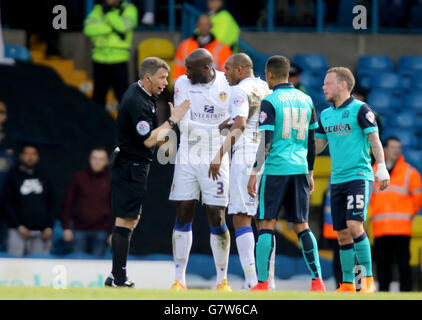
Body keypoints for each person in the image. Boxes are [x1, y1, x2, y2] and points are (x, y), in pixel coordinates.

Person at [104, 57, 190, 287]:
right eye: (162, 78)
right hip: (130, 166)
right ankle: (118, 278)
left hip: (133, 166)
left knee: (130, 219)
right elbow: (149, 140)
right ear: (147, 77)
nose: (166, 82)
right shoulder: (137, 101)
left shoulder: (140, 93)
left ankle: (115, 274)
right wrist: (173, 120)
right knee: (125, 221)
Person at [247, 55, 326, 292]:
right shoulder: (306, 99)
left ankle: (262, 283)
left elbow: (266, 140)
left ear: (270, 75)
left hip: (276, 170)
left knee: (266, 223)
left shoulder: (270, 101)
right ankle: (318, 281)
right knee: (302, 225)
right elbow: (312, 142)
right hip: (300, 169)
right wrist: (311, 171)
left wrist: (254, 171)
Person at [315, 67, 390, 293]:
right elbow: (318, 147)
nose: (323, 87)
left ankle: (367, 279)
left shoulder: (361, 109)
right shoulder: (326, 115)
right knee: (342, 233)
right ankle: (348, 283)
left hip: (358, 176)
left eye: (328, 83)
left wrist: (382, 167)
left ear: (343, 85)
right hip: (337, 179)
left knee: (355, 225)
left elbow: (374, 140)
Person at [169, 48, 232, 291]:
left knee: (217, 214)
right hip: (187, 156)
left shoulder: (227, 83)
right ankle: (179, 280)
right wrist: (218, 127)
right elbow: (184, 126)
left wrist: (221, 129)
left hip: (216, 158)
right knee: (183, 212)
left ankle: (222, 280)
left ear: (206, 68)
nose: (185, 72)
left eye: (190, 68)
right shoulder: (183, 83)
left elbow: (236, 123)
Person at [208, 53, 272, 289]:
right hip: (267, 153)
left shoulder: (238, 91)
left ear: (241, 69)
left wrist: (219, 154)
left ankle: (251, 281)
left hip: (246, 154)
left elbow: (242, 124)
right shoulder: (264, 87)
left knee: (241, 215)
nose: (225, 74)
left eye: (229, 69)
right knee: (265, 220)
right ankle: (268, 282)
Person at [370, 136, 422, 292]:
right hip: (380, 229)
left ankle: (406, 294)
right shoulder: (373, 171)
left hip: (401, 228)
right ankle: (383, 294)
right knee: (382, 267)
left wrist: (408, 213)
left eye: (398, 148)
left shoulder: (410, 172)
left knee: (403, 266)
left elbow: (418, 197)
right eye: (393, 147)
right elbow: (369, 197)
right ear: (385, 149)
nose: (396, 151)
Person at [83, 0, 138, 108]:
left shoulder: (129, 9)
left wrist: (109, 14)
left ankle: (126, 125)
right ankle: (98, 124)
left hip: (119, 60)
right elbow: (88, 29)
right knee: (97, 99)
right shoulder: (98, 9)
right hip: (99, 59)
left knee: (123, 98)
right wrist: (110, 28)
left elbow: (123, 26)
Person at [4, 144, 55, 257]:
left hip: (41, 232)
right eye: (27, 153)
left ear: (38, 157)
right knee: (15, 267)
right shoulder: (12, 176)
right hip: (18, 231)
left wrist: (49, 226)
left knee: (39, 266)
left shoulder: (44, 175)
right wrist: (19, 226)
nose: (30, 157)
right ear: (21, 156)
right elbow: (7, 203)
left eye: (33, 154)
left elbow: (51, 203)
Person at [61, 147, 113, 257]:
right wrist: (66, 227)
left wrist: (114, 232)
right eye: (94, 158)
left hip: (102, 230)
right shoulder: (79, 177)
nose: (97, 162)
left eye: (101, 159)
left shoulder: (111, 179)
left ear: (107, 161)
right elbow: (68, 203)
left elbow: (116, 207)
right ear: (89, 159)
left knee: (97, 267)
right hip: (79, 229)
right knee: (78, 265)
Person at [172, 14, 232, 83]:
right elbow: (177, 67)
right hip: (188, 86)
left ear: (211, 26)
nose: (204, 27)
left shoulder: (223, 48)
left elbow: (226, 71)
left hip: (212, 87)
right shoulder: (184, 45)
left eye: (206, 24)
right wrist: (176, 85)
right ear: (197, 26)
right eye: (201, 24)